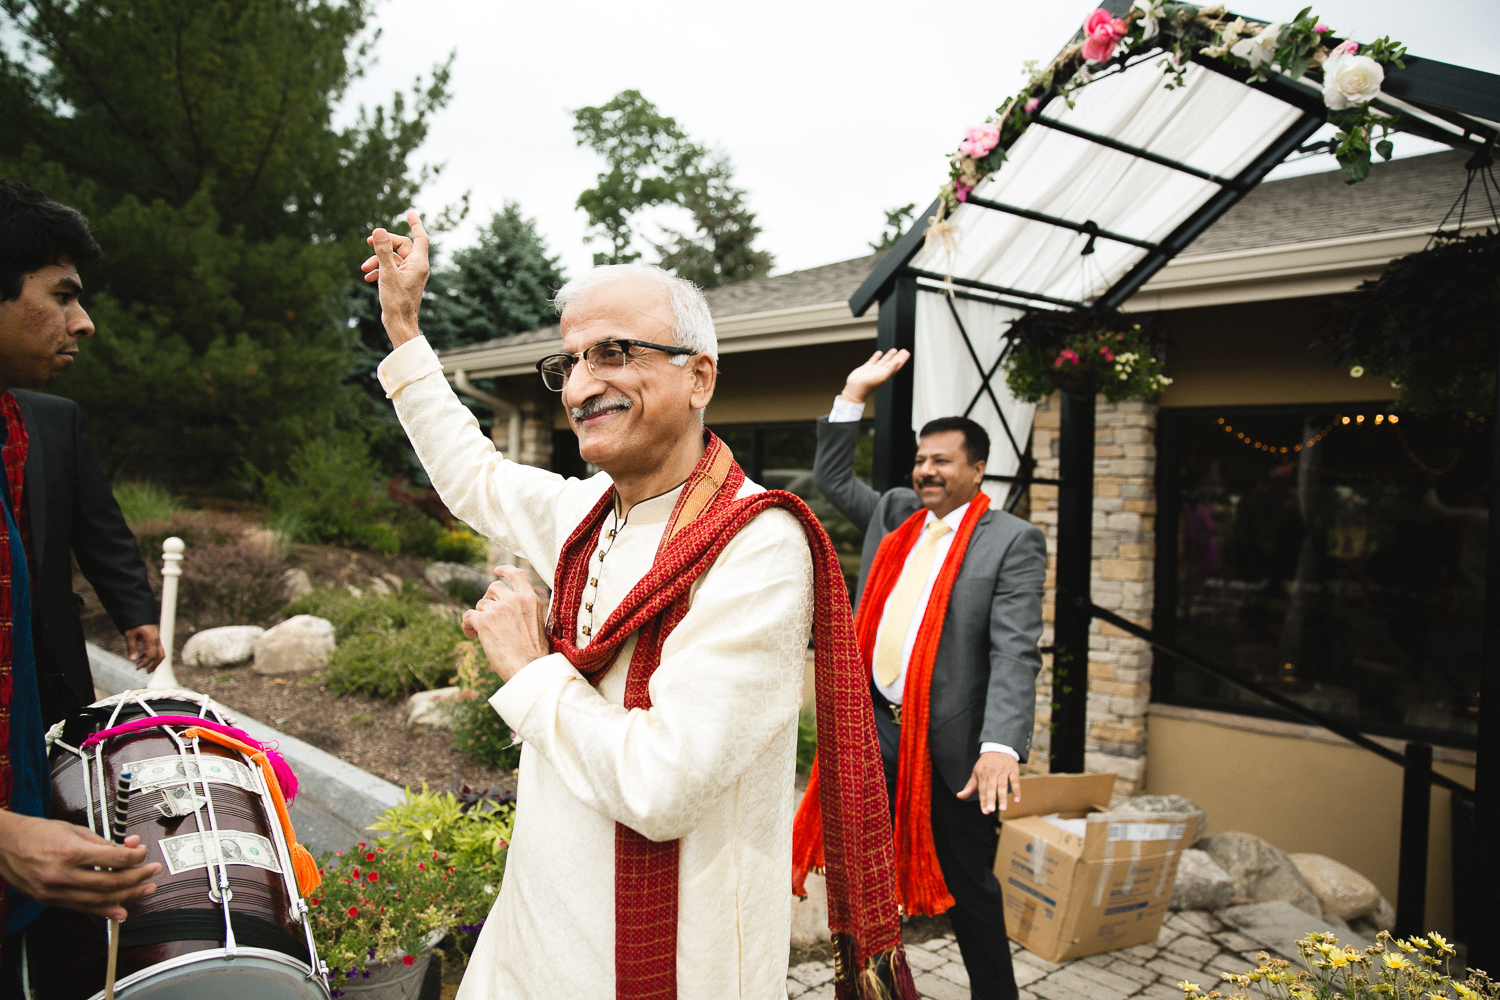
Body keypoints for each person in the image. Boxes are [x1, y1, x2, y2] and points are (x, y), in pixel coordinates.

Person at [363, 212, 916, 1000]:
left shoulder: (755, 547)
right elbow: (473, 475)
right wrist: (404, 328)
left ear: (700, 377)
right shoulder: (588, 516)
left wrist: (528, 669)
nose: (584, 384)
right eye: (572, 361)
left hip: (669, 960)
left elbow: (662, 786)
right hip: (533, 931)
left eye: (615, 352)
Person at [810, 348, 1046, 1000]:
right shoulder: (892, 516)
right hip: (874, 734)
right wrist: (854, 390)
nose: (926, 470)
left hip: (950, 750)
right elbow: (830, 479)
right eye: (921, 459)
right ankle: (869, 990)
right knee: (861, 873)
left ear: (977, 468)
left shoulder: (1011, 541)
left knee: (969, 886)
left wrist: (1001, 746)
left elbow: (1015, 650)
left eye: (942, 460)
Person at [0, 179, 161, 985]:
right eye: (62, 296)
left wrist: (136, 612)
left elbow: (101, 530)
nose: (84, 322)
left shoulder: (43, 424)